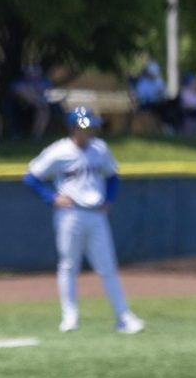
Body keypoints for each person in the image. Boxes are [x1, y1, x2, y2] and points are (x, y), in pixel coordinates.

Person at [23, 106, 143, 335]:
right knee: (68, 266)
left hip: (96, 214)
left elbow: (112, 176)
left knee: (107, 266)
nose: (90, 131)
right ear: (73, 128)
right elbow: (31, 177)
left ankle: (123, 316)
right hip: (70, 214)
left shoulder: (100, 149)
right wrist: (51, 197)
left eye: (92, 126)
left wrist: (109, 199)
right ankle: (70, 317)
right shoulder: (59, 151)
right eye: (85, 126)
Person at [8, 63, 52, 139]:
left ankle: (37, 134)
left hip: (40, 105)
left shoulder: (44, 82)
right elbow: (16, 91)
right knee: (25, 91)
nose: (33, 74)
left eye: (35, 71)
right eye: (31, 72)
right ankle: (36, 135)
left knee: (43, 111)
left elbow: (47, 92)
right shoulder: (20, 82)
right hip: (22, 103)